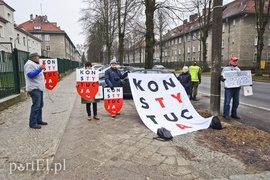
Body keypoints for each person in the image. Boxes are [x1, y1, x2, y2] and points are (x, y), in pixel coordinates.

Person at [24, 52, 47, 129]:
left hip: (38, 87)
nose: (39, 58)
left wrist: (40, 68)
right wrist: (39, 68)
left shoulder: (35, 64)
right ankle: (33, 123)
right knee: (36, 106)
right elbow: (30, 75)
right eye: (38, 57)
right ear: (34, 58)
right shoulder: (29, 64)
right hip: (34, 88)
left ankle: (38, 120)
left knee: (40, 105)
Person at [221, 56, 241, 120]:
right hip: (229, 88)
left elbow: (241, 77)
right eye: (234, 61)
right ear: (230, 61)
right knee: (227, 102)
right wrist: (223, 79)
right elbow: (221, 76)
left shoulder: (238, 69)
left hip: (236, 88)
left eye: (236, 61)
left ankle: (234, 114)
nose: (235, 62)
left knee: (236, 102)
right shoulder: (226, 69)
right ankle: (226, 114)